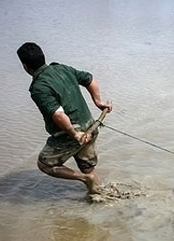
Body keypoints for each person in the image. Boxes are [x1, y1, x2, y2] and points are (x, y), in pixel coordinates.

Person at [17, 42, 113, 194]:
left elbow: (58, 114)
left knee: (44, 164)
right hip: (90, 127)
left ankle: (83, 179)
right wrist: (98, 102)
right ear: (43, 57)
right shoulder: (63, 68)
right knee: (89, 170)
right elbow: (89, 79)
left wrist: (74, 134)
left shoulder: (38, 87)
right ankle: (99, 196)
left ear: (25, 66)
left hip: (71, 135)